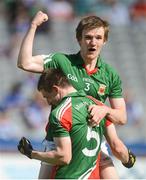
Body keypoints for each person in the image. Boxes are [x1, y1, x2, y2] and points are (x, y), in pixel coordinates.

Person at [17, 11, 128, 178]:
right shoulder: (63, 62)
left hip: (92, 141)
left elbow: (121, 117)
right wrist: (33, 26)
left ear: (105, 41)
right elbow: (24, 62)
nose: (93, 42)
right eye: (88, 37)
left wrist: (104, 110)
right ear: (79, 39)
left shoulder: (110, 75)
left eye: (98, 37)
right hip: (59, 140)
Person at [18, 69, 136, 179]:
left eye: (47, 97)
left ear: (55, 89)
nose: (48, 103)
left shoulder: (59, 114)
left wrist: (31, 153)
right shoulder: (99, 107)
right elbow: (117, 146)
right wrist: (129, 160)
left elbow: (64, 157)